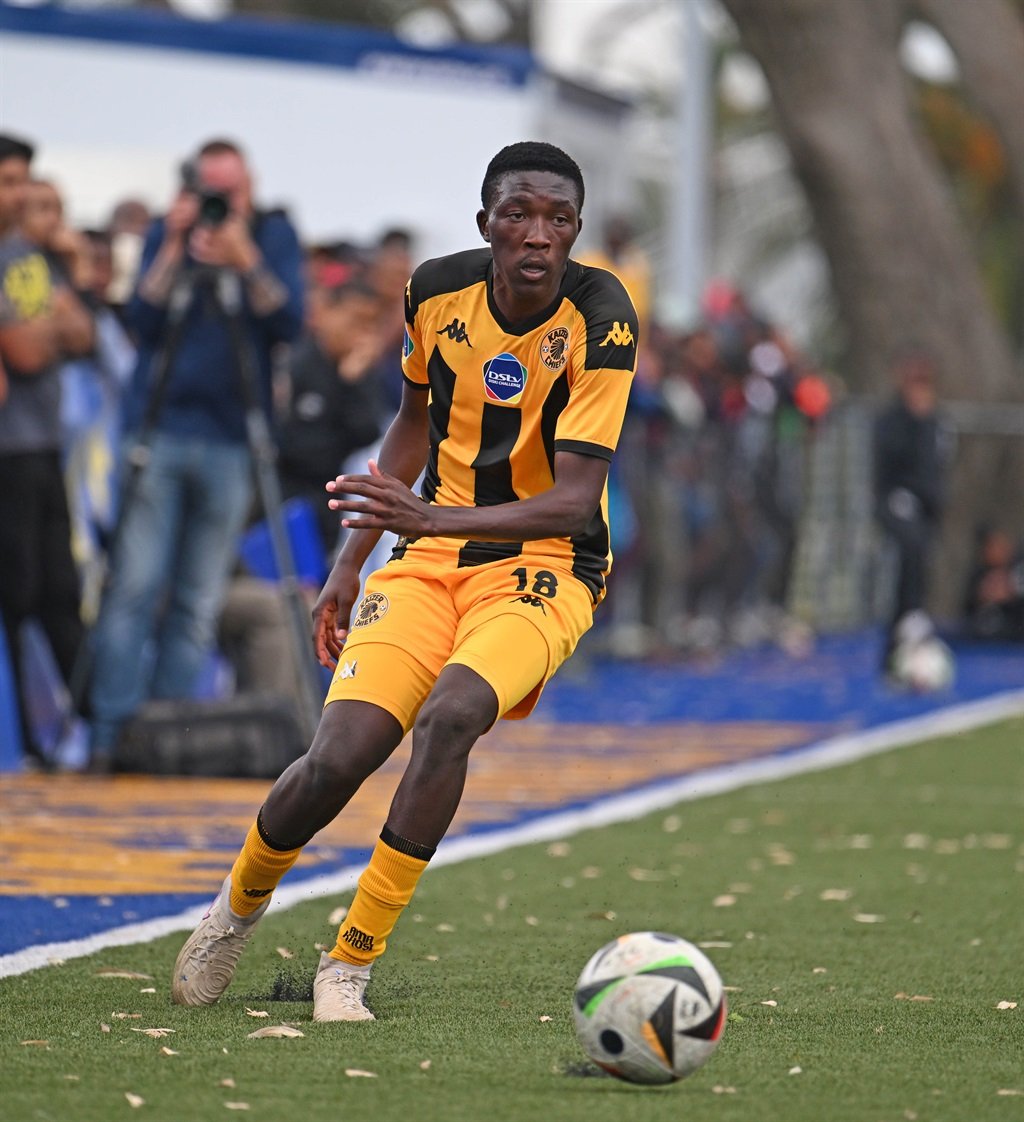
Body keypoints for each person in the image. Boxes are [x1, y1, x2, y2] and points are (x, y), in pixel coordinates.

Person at [171, 141, 638, 1022]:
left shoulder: (602, 315)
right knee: (337, 758)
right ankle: (234, 910)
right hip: (426, 560)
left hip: (545, 569)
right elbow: (412, 424)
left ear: (574, 231)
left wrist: (436, 521)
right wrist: (351, 563)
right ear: (485, 224)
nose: (538, 236)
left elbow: (573, 502)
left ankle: (348, 961)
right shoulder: (434, 292)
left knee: (452, 715)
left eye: (558, 220)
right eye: (518, 215)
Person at [85, 138, 304, 766]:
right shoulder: (168, 231)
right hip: (158, 432)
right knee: (134, 585)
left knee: (197, 600)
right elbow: (142, 322)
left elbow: (288, 323)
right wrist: (176, 247)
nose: (218, 206)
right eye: (208, 192)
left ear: (250, 188)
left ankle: (164, 738)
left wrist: (245, 260)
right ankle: (109, 738)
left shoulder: (273, 234)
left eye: (229, 194)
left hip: (233, 438)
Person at [0, 133, 96, 765]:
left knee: (60, 592)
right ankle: (24, 739)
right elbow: (29, 351)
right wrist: (49, 332)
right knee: (19, 594)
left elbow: (79, 332)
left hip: (41, 447)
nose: (19, 196)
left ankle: (90, 729)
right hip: (9, 451)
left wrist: (49, 331)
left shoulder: (28, 257)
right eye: (9, 183)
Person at [873, 350, 954, 673]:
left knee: (920, 558)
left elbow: (937, 466)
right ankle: (911, 617)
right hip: (898, 499)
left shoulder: (937, 421)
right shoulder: (892, 421)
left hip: (927, 505)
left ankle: (903, 636)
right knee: (910, 548)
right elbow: (893, 463)